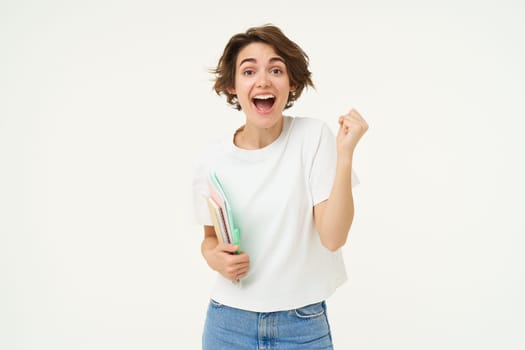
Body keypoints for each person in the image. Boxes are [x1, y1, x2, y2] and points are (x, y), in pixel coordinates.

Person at [192, 24, 368, 349]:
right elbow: (209, 239)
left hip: (301, 326)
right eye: (249, 71)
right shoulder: (213, 158)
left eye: (276, 69)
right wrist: (215, 257)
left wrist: (344, 157)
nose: (263, 80)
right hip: (227, 323)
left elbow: (333, 237)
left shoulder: (313, 138)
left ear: (292, 83)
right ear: (232, 85)